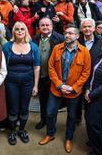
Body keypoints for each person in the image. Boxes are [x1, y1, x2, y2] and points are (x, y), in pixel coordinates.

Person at [39, 25, 91, 153]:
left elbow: (86, 72)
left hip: (73, 91)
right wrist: (59, 85)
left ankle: (69, 138)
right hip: (56, 89)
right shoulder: (57, 48)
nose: (67, 35)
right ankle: (50, 134)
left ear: (77, 36)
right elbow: (51, 68)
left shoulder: (84, 52)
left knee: (72, 116)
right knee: (50, 113)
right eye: (66, 33)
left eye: (71, 33)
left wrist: (74, 87)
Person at [2, 22, 40, 145]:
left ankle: (22, 130)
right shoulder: (7, 46)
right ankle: (12, 131)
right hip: (11, 81)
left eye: (22, 29)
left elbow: (37, 67)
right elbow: (2, 67)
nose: (19, 31)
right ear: (13, 31)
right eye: (17, 29)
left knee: (24, 108)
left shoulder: (33, 46)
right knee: (13, 107)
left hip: (28, 82)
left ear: (26, 31)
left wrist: (35, 85)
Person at [32, 17, 65, 130]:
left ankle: (51, 123)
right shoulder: (34, 39)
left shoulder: (60, 38)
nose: (45, 27)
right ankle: (43, 120)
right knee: (42, 100)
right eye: (42, 25)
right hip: (40, 76)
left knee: (53, 102)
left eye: (47, 25)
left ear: (52, 26)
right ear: (39, 27)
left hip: (54, 77)